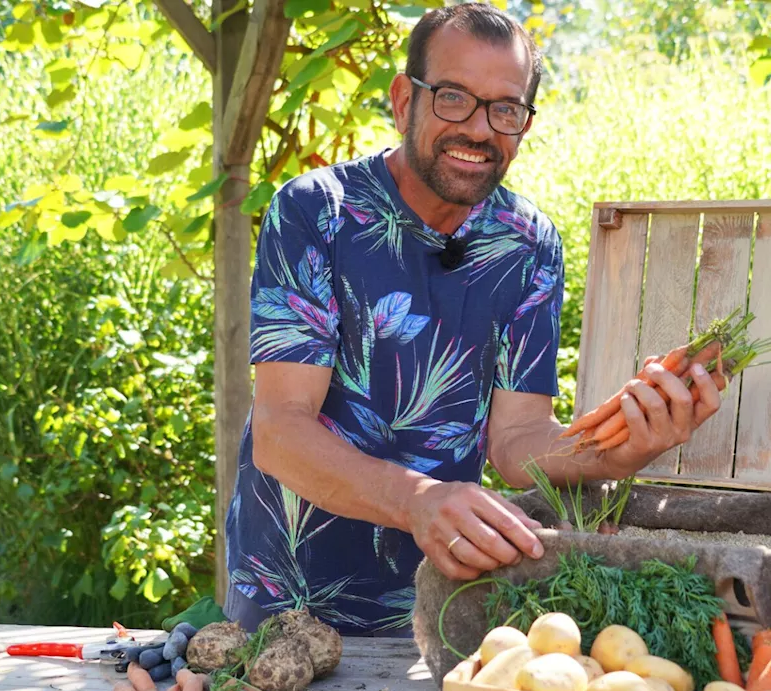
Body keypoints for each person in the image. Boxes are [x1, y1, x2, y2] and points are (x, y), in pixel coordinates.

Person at [222, 2, 726, 637]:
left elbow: (517, 445)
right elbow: (280, 432)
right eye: (454, 98)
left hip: (438, 606)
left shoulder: (528, 244)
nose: (480, 128)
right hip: (286, 605)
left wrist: (619, 447)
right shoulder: (317, 213)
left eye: (505, 109)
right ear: (405, 101)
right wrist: (418, 499)